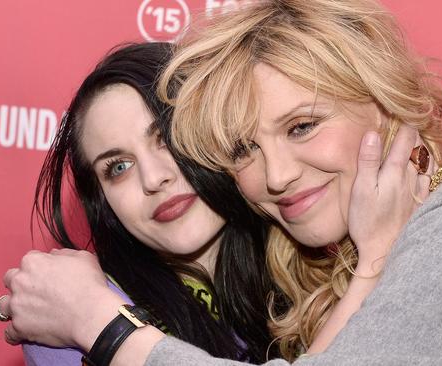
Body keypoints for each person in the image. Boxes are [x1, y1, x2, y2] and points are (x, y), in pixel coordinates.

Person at [0, 0, 442, 365]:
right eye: (244, 147)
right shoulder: (315, 271)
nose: (275, 174)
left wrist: (102, 324)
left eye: (302, 126)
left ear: (380, 102)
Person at [15, 42, 277, 365]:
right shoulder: (62, 327)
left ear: (217, 129)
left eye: (167, 137)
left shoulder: (316, 274)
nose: (153, 178)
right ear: (101, 200)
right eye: (119, 167)